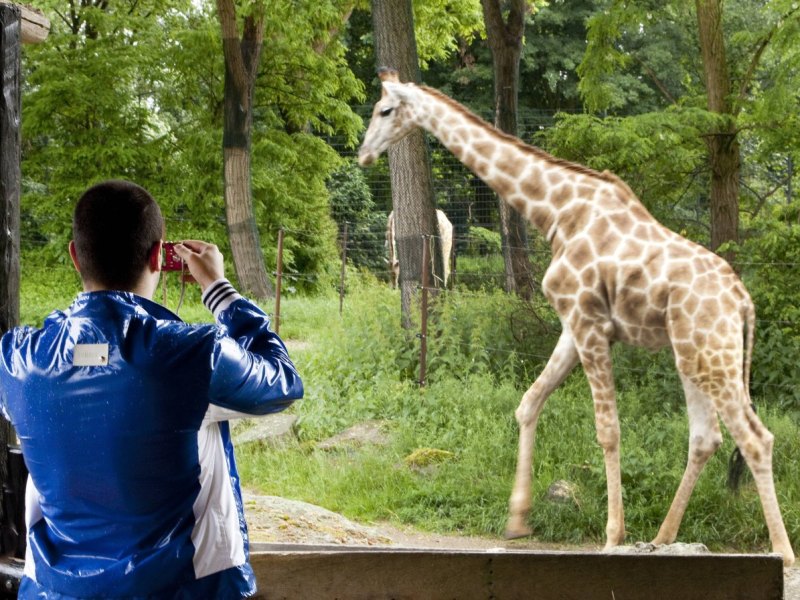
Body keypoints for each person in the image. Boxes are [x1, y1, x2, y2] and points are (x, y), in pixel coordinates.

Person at [0, 180, 303, 599]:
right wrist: (218, 288)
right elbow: (282, 381)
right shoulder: (192, 355)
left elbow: (82, 364)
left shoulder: (17, 358)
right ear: (159, 255)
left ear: (75, 256)